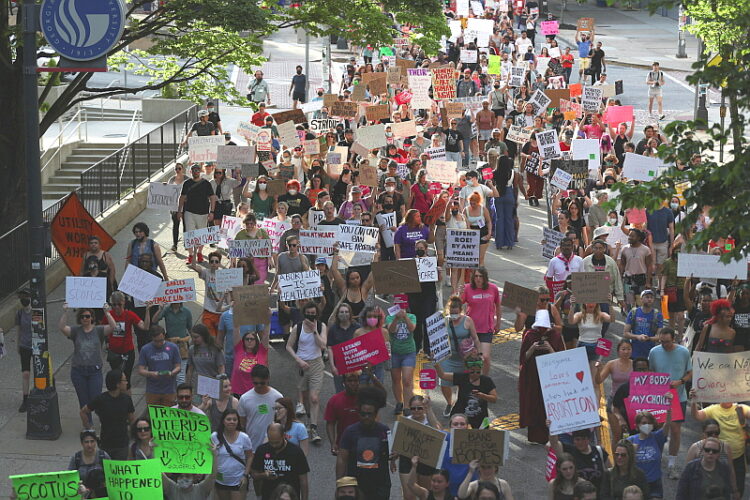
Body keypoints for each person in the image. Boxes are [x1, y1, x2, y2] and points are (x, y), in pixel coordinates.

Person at [59, 303, 116, 427]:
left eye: (88, 316)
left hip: (94, 371)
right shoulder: (75, 331)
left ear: (92, 317)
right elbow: (62, 328)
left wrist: (107, 312)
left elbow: (113, 326)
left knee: (96, 399)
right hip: (78, 371)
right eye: (83, 317)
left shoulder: (99, 330)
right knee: (83, 401)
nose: (85, 319)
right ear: (79, 319)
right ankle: (88, 426)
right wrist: (66, 312)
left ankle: (104, 421)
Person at [648, 327, 691, 479]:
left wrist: (680, 382)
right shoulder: (654, 352)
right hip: (659, 397)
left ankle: (672, 465)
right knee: (659, 430)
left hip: (678, 397)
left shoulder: (683, 352)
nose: (664, 345)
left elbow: (690, 372)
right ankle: (655, 460)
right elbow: (650, 372)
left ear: (673, 339)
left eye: (667, 342)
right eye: (661, 341)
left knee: (675, 431)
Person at [689, 388, 748, 497]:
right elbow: (697, 416)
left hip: (738, 456)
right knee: (720, 490)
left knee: (738, 490)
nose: (728, 397)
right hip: (719, 457)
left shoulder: (741, 408)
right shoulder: (713, 409)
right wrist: (694, 401)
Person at [336, 385, 392, 500]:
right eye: (363, 414)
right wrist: (340, 484)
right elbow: (342, 459)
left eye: (369, 414)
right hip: (357, 486)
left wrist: (395, 455)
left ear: (375, 414)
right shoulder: (350, 432)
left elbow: (392, 453)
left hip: (380, 485)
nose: (366, 417)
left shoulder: (385, 431)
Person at [519, 309, 565, 444]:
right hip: (533, 377)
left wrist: (550, 349)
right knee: (534, 404)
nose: (542, 330)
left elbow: (562, 358)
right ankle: (535, 437)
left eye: (544, 327)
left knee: (549, 405)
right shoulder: (529, 335)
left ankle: (551, 436)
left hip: (551, 377)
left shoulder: (555, 336)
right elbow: (523, 358)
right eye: (540, 327)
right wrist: (532, 348)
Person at [286, 302, 327, 444]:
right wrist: (298, 360)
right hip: (301, 365)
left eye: (313, 313)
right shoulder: (298, 328)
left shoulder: (322, 326)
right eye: (308, 313)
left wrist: (315, 330)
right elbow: (289, 346)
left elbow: (322, 345)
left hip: (316, 364)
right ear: (304, 313)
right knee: (305, 396)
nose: (311, 315)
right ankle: (310, 418)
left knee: (314, 397)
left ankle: (314, 428)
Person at [79, 369, 134, 460]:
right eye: (124, 380)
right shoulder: (101, 399)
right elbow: (83, 412)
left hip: (122, 444)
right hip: (106, 443)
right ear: (117, 384)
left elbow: (132, 420)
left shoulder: (126, 399)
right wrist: (89, 429)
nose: (126, 382)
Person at [435, 353, 497, 429]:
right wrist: (436, 363)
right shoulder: (462, 377)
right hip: (460, 415)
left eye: (478, 372)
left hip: (482, 418)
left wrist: (482, 395)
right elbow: (443, 375)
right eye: (472, 372)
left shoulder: (486, 381)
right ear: (467, 369)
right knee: (458, 437)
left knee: (482, 437)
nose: (475, 374)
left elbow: (494, 399)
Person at [251, 423, 310, 500]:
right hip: (268, 495)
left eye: (277, 442)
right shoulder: (262, 450)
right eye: (271, 442)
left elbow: (303, 480)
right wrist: (264, 475)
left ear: (284, 436)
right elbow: (254, 474)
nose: (274, 445)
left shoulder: (296, 452)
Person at [627, 406, 672, 498]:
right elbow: (624, 462)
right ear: (638, 425)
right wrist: (632, 452)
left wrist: (669, 406)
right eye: (644, 423)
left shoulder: (657, 437)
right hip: (636, 484)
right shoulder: (630, 441)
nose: (647, 425)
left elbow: (667, 424)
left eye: (649, 423)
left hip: (654, 483)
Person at [685, 418, 739, 496]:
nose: (714, 436)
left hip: (721, 491)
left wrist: (735, 490)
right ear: (703, 434)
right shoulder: (695, 448)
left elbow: (731, 470)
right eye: (710, 433)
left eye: (716, 433)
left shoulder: (726, 447)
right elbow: (687, 473)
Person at [461, 267, 500, 375]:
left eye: (480, 276)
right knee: (470, 357)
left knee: (485, 357)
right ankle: (470, 379)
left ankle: (484, 379)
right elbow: (456, 304)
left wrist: (498, 322)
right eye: (476, 276)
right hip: (470, 329)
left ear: (485, 278)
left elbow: (498, 305)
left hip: (486, 328)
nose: (478, 279)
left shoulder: (493, 288)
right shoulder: (467, 288)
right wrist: (458, 293)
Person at [550, 427, 610, 495]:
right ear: (573, 440)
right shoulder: (570, 450)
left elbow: (609, 471)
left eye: (584, 439)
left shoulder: (599, 451)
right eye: (577, 439)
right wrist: (552, 427)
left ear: (589, 439)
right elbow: (554, 443)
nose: (580, 442)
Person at [238, 364, 284, 453]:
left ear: (268, 379)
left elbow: (282, 421)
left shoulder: (277, 397)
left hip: (273, 445)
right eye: (255, 383)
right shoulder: (245, 399)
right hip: (252, 446)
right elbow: (242, 424)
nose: (259, 386)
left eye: (262, 383)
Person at [177, 163, 217, 264]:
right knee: (189, 233)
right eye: (194, 170)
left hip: (203, 213)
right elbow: (182, 198)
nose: (196, 172)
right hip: (189, 212)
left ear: (200, 171)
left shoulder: (206, 183)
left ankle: (199, 252)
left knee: (201, 234)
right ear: (191, 172)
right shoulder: (187, 183)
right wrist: (179, 211)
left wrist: (212, 211)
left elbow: (212, 197)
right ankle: (190, 255)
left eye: (197, 170)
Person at [595, 340, 633, 443]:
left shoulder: (636, 365)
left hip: (631, 403)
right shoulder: (611, 364)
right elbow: (599, 380)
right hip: (614, 402)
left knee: (629, 437)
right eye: (623, 349)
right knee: (617, 436)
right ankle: (615, 458)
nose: (626, 352)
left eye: (629, 349)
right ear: (618, 351)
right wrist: (598, 370)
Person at [212, 408, 254, 500]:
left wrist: (245, 475)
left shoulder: (244, 437)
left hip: (239, 479)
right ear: (223, 421)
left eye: (234, 420)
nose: (232, 422)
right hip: (220, 479)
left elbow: (250, 456)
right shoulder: (215, 436)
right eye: (229, 419)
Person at [136, 323, 181, 406]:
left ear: (164, 336)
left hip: (169, 389)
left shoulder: (173, 347)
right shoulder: (145, 349)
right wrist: (151, 374)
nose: (159, 343)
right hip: (152, 389)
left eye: (161, 340)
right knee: (153, 415)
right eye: (156, 341)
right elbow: (140, 370)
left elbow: (178, 366)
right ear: (152, 338)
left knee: (169, 415)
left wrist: (172, 373)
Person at [386, 307, 418, 417]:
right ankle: (399, 402)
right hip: (394, 353)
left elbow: (411, 328)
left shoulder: (412, 316)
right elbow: (391, 330)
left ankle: (407, 406)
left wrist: (405, 317)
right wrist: (396, 318)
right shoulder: (389, 317)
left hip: (408, 352)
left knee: (407, 380)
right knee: (396, 380)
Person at [151, 302, 192, 384]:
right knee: (169, 369)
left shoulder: (187, 312)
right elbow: (154, 320)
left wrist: (192, 342)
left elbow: (190, 328)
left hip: (182, 345)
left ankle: (179, 393)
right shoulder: (166, 310)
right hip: (169, 344)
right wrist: (160, 310)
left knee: (181, 373)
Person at [229, 321, 270, 397]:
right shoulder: (239, 349)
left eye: (252, 339)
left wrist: (268, 319)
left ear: (256, 341)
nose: (249, 341)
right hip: (239, 392)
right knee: (240, 409)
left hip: (258, 392)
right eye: (247, 339)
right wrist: (237, 317)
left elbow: (266, 334)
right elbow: (236, 330)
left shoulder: (262, 350)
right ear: (243, 341)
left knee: (262, 409)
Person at [326, 303, 361, 393]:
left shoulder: (357, 327)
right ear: (337, 314)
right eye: (341, 312)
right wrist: (332, 366)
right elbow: (330, 347)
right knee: (340, 391)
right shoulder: (333, 329)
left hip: (354, 365)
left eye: (346, 312)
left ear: (350, 314)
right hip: (339, 365)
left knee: (355, 390)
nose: (344, 314)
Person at [185, 323, 225, 398]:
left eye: (196, 337)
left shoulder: (215, 349)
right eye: (192, 337)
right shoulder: (192, 349)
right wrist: (187, 385)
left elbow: (221, 368)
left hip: (212, 383)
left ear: (203, 336)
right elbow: (190, 369)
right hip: (197, 384)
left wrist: (221, 383)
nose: (194, 339)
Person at [623, 290, 664, 360]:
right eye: (647, 297)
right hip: (633, 352)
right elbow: (625, 333)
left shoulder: (658, 315)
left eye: (651, 297)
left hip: (650, 353)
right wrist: (637, 337)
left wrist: (649, 338)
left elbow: (660, 336)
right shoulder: (634, 312)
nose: (649, 299)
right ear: (641, 299)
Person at [13, 288, 33, 412]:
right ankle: (25, 399)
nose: (23, 300)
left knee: (40, 372)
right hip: (24, 345)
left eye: (25, 297)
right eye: (21, 298)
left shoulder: (36, 312)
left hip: (36, 345)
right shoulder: (19, 313)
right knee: (25, 373)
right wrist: (18, 345)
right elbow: (18, 330)